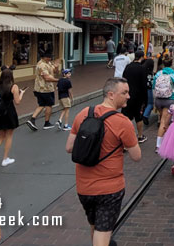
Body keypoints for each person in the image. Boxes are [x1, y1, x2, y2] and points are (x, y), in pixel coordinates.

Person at [66, 78, 141, 246]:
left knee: (96, 227)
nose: (128, 96)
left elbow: (69, 147)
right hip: (109, 190)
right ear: (111, 95)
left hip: (84, 188)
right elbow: (137, 156)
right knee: (104, 232)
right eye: (124, 93)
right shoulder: (123, 122)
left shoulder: (84, 113)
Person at [0, 68, 25, 167]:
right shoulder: (14, 87)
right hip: (9, 113)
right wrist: (21, 94)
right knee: (9, 135)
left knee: (0, 136)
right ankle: (5, 159)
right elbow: (17, 102)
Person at [153, 55, 174, 153]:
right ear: (172, 63)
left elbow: (153, 86)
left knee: (163, 119)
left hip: (158, 100)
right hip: (169, 99)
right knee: (164, 122)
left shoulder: (158, 73)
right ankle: (159, 145)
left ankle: (165, 140)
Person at [122, 51, 150, 143]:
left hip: (127, 95)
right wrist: (145, 100)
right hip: (138, 97)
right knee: (138, 117)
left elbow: (123, 80)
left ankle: (126, 137)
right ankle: (140, 136)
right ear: (142, 57)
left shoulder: (128, 67)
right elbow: (144, 85)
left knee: (126, 117)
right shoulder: (142, 68)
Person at [27, 52, 59, 130]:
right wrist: (59, 80)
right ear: (44, 57)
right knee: (49, 105)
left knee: (41, 104)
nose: (50, 58)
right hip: (45, 89)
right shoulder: (42, 65)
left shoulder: (48, 63)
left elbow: (54, 71)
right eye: (49, 57)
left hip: (42, 89)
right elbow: (47, 78)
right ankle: (46, 123)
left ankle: (32, 120)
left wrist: (56, 67)